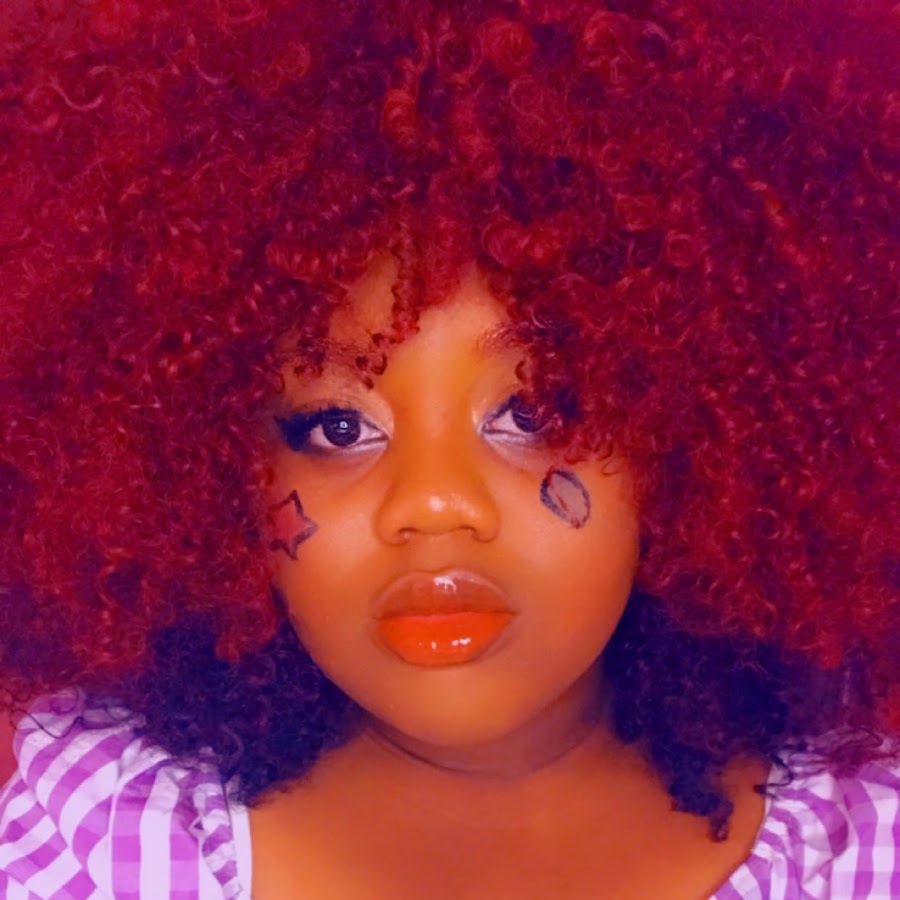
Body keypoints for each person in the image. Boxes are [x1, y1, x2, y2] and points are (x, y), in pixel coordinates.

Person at [0, 0, 897, 896]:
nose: (431, 503)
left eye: (534, 413)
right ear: (199, 476)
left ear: (696, 446)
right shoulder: (111, 835)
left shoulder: (857, 850)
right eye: (337, 427)